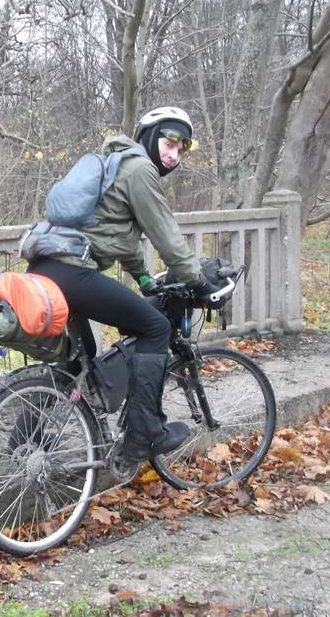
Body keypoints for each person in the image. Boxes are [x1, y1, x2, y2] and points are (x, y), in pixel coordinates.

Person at [27, 106, 222, 464]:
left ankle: (22, 450)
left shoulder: (117, 164)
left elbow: (121, 238)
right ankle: (143, 434)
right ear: (150, 136)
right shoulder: (140, 169)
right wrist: (198, 279)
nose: (174, 154)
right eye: (170, 142)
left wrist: (145, 279)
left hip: (46, 269)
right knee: (156, 327)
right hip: (73, 273)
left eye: (182, 149)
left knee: (71, 365)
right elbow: (165, 234)